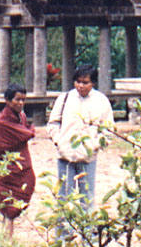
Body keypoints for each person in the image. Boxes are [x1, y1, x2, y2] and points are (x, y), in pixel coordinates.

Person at [47, 63, 116, 212]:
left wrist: (94, 145)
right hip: (65, 156)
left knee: (87, 200)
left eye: (85, 82)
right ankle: (64, 235)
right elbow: (53, 123)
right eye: (78, 81)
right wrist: (59, 141)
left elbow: (109, 131)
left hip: (87, 158)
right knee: (63, 200)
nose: (81, 86)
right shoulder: (64, 98)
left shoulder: (102, 101)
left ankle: (88, 235)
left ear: (93, 83)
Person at [0, 83, 36, 237]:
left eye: (23, 100)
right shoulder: (1, 121)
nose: (21, 103)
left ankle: (7, 230)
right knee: (6, 198)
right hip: (5, 164)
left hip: (21, 161)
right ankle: (7, 236)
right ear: (7, 101)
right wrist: (29, 130)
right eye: (17, 100)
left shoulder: (21, 116)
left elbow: (25, 132)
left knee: (28, 183)